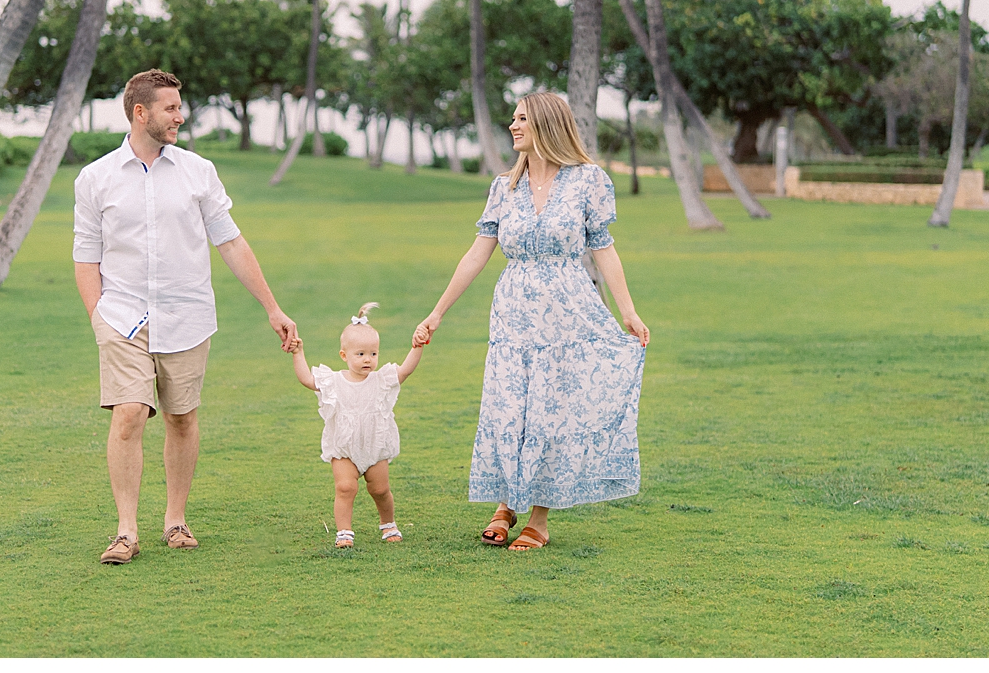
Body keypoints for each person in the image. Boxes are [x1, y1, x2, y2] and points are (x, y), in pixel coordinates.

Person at [74, 68, 298, 565]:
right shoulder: (96, 178)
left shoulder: (199, 172)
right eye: (171, 108)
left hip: (187, 313)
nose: (181, 116)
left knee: (181, 417)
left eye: (180, 107)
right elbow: (86, 255)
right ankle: (126, 532)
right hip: (123, 316)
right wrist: (99, 319)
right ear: (141, 112)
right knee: (129, 414)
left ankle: (175, 520)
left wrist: (272, 308)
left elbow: (232, 243)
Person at [413, 92, 650, 551]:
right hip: (513, 315)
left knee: (551, 411)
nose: (512, 125)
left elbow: (604, 248)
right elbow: (477, 253)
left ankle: (538, 519)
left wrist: (628, 311)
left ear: (544, 123)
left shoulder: (588, 181)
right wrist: (437, 312)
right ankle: (505, 504)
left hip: (568, 313)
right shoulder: (504, 187)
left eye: (521, 118)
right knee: (508, 407)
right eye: (513, 118)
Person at [288, 302, 424, 548]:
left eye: (373, 354)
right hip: (344, 447)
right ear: (344, 355)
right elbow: (307, 379)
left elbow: (405, 371)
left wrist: (417, 347)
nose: (367, 360)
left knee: (380, 489)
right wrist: (299, 353)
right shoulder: (334, 381)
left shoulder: (380, 380)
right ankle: (344, 531)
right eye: (360, 354)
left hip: (375, 444)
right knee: (345, 487)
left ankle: (388, 523)